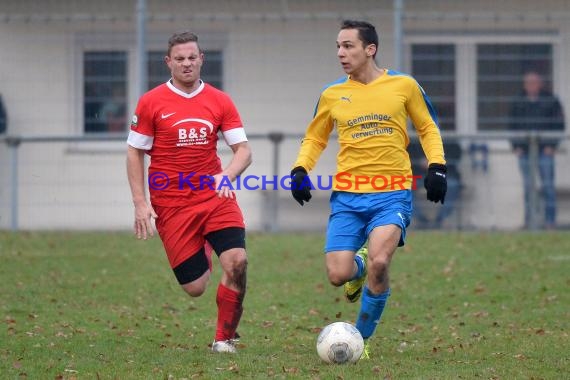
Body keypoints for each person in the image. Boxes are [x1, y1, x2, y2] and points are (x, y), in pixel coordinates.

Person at [290, 20, 447, 357]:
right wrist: (301, 169)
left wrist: (437, 166)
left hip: (392, 192)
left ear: (370, 49)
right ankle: (356, 268)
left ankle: (361, 338)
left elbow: (428, 127)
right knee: (337, 274)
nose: (340, 53)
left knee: (380, 262)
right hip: (347, 196)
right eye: (338, 46)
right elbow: (316, 137)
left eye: (348, 46)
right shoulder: (333, 93)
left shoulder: (403, 86)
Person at [126, 31, 252, 354]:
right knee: (195, 287)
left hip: (214, 195)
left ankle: (223, 339)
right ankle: (204, 246)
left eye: (191, 57)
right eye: (179, 58)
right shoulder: (151, 102)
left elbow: (243, 151)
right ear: (168, 62)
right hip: (171, 203)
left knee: (237, 261)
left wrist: (228, 175)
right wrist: (141, 204)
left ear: (201, 59)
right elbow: (134, 153)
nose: (186, 63)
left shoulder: (219, 100)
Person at [509, 71, 565, 229]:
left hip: (545, 151)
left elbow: (559, 124)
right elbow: (511, 125)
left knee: (548, 186)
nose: (531, 86)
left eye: (534, 82)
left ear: (540, 84)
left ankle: (550, 222)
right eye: (528, 82)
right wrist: (516, 146)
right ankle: (529, 221)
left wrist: (552, 146)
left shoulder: (551, 101)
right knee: (528, 187)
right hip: (525, 151)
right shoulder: (518, 101)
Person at [409, 139, 462, 229]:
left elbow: (456, 154)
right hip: (418, 175)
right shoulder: (414, 140)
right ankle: (422, 221)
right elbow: (407, 155)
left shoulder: (449, 137)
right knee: (403, 187)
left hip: (443, 175)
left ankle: (439, 220)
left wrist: (437, 162)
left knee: (453, 185)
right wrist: (420, 161)